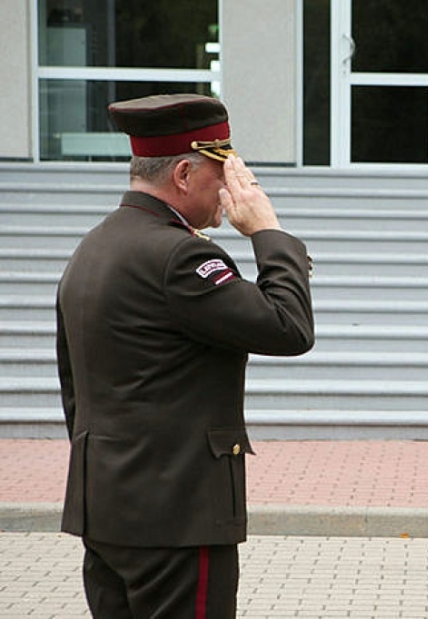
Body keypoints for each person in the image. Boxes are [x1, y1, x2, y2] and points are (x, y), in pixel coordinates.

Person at [56, 93, 315, 618]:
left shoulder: (95, 245)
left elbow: (74, 389)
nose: (230, 190)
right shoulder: (180, 256)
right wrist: (268, 231)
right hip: (175, 516)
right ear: (182, 174)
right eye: (221, 173)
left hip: (107, 508)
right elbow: (288, 328)